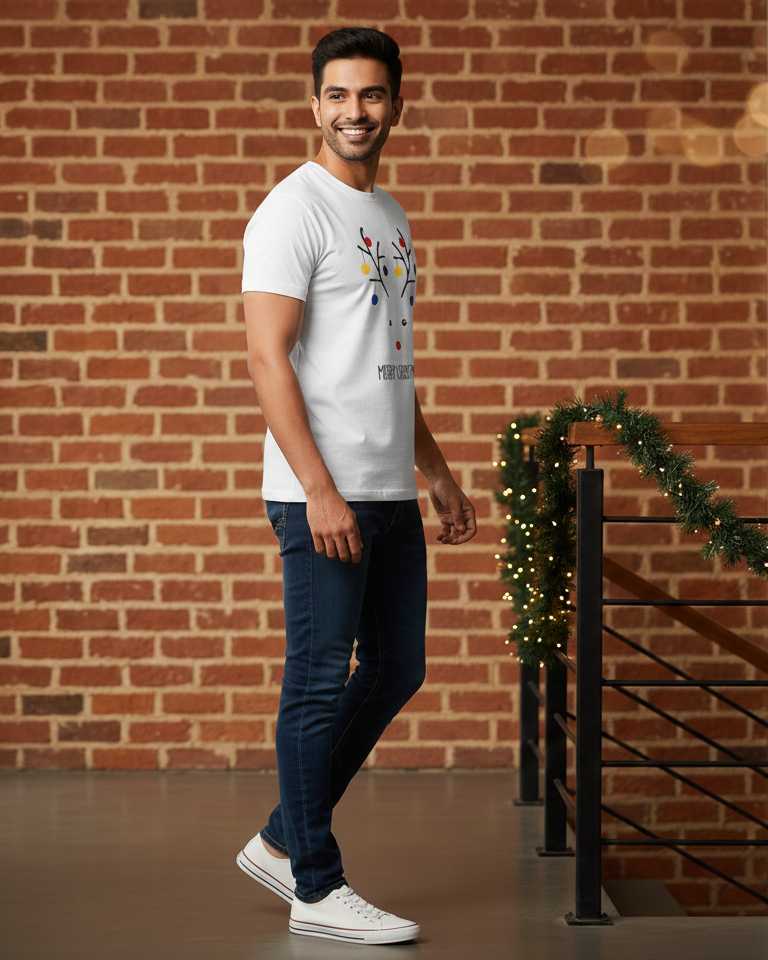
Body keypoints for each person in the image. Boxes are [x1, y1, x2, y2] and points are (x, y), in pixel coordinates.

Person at [235, 27, 476, 945]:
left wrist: (440, 477)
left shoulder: (392, 217)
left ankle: (279, 838)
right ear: (314, 105)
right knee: (316, 683)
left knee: (398, 667)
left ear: (396, 105)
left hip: (387, 490)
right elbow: (267, 359)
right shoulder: (290, 211)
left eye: (371, 96)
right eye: (338, 95)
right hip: (320, 493)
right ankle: (316, 883)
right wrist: (319, 490)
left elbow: (391, 363)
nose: (354, 112)